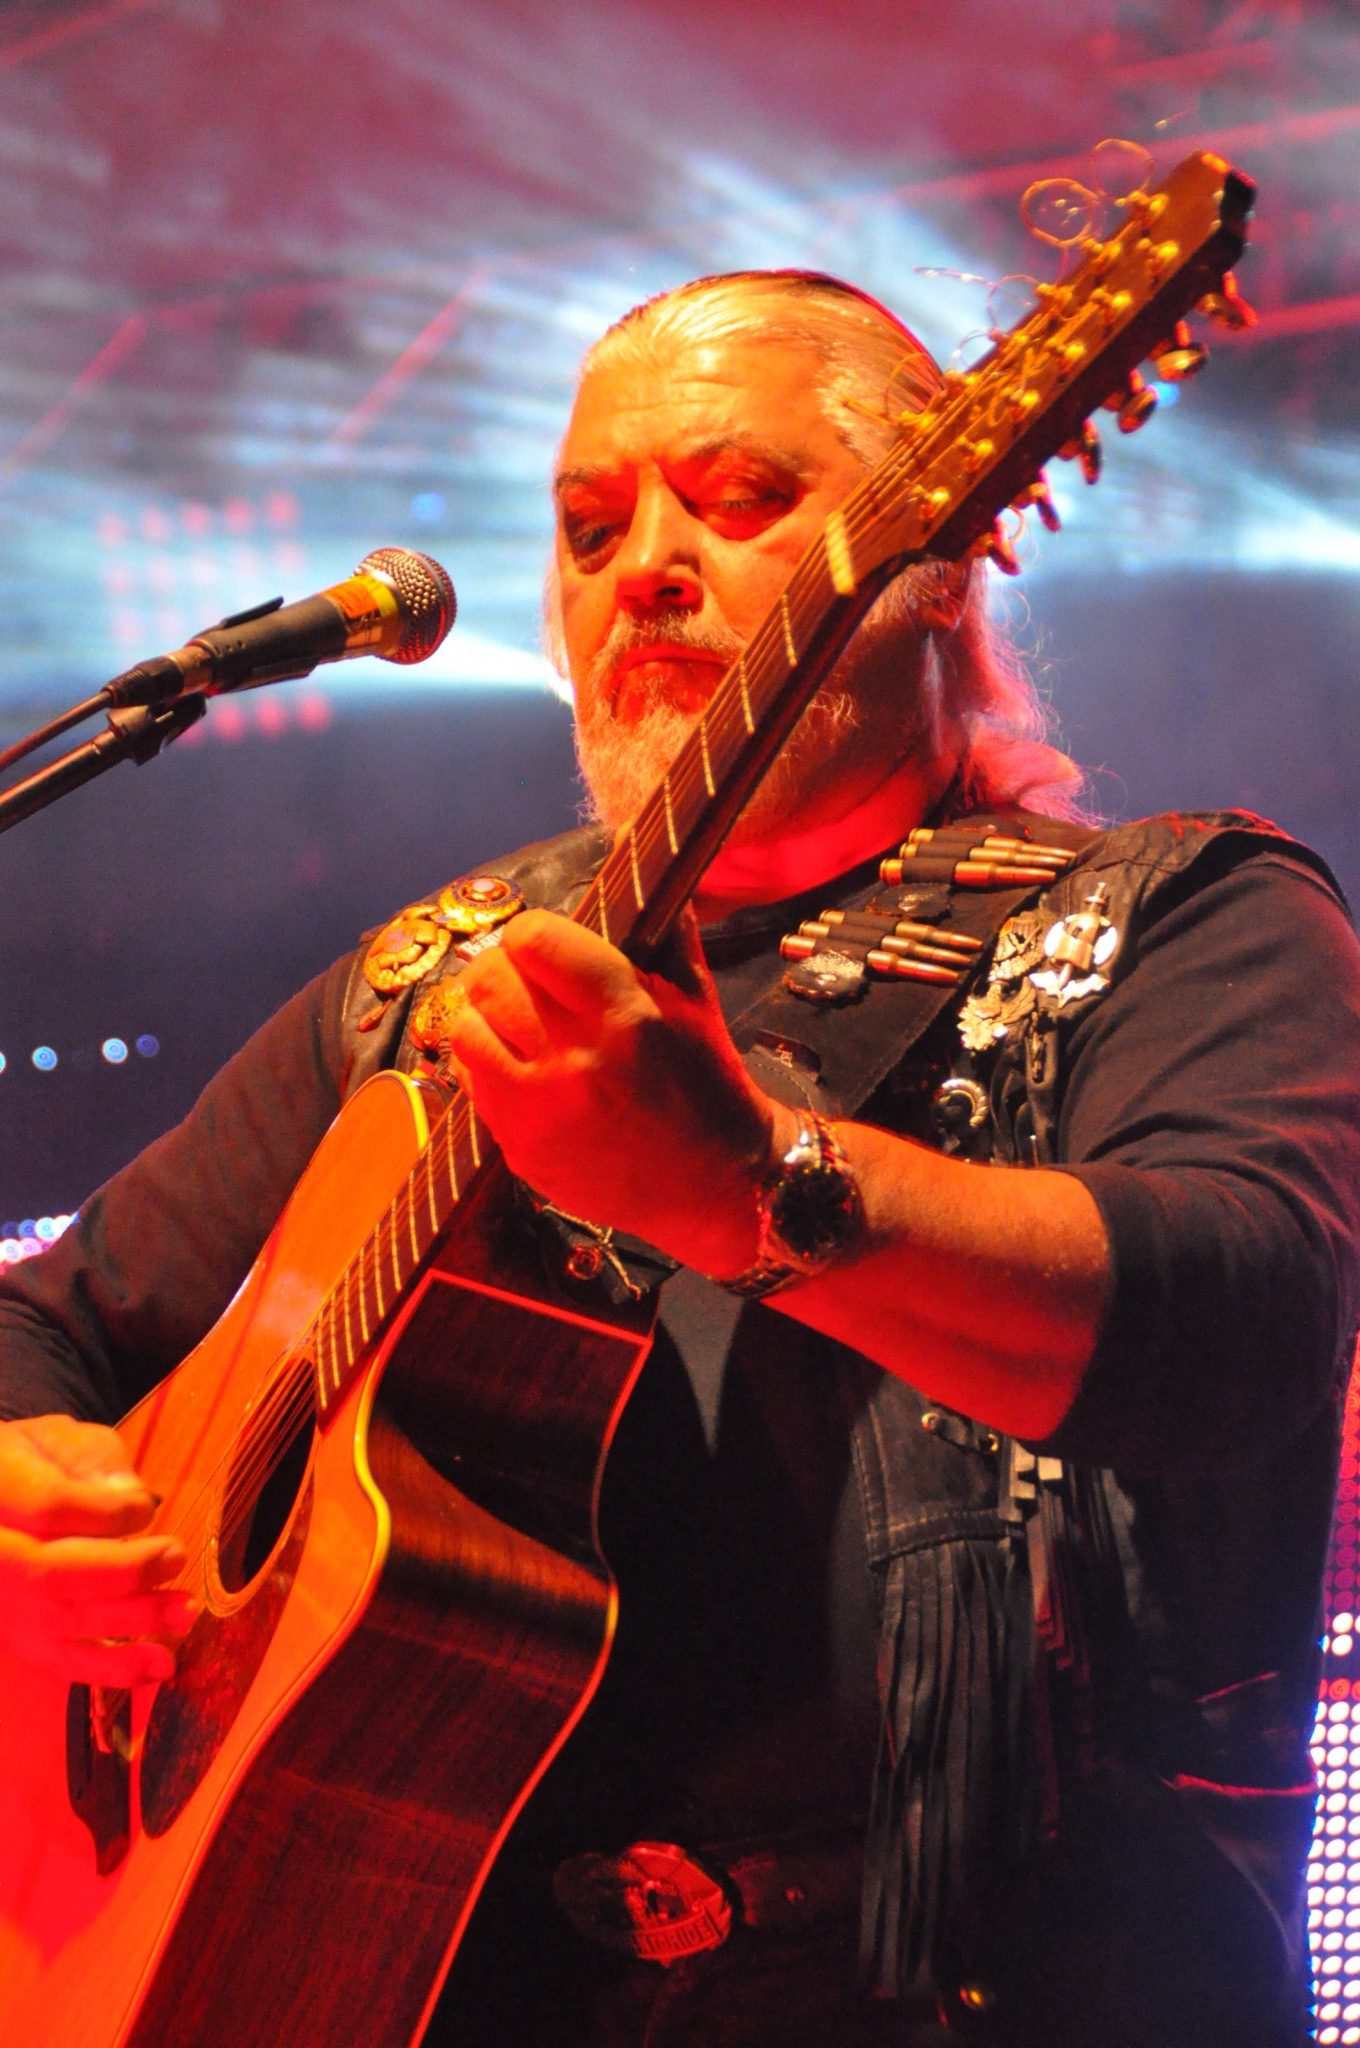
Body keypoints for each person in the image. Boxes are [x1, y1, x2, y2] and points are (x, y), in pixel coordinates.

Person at [1, 270, 1358, 2048]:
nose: (642, 562)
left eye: (738, 499)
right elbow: (51, 1318)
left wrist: (746, 1185)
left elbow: (1240, 1329)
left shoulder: (1187, 916)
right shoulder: (438, 981)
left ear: (943, 556)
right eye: (590, 527)